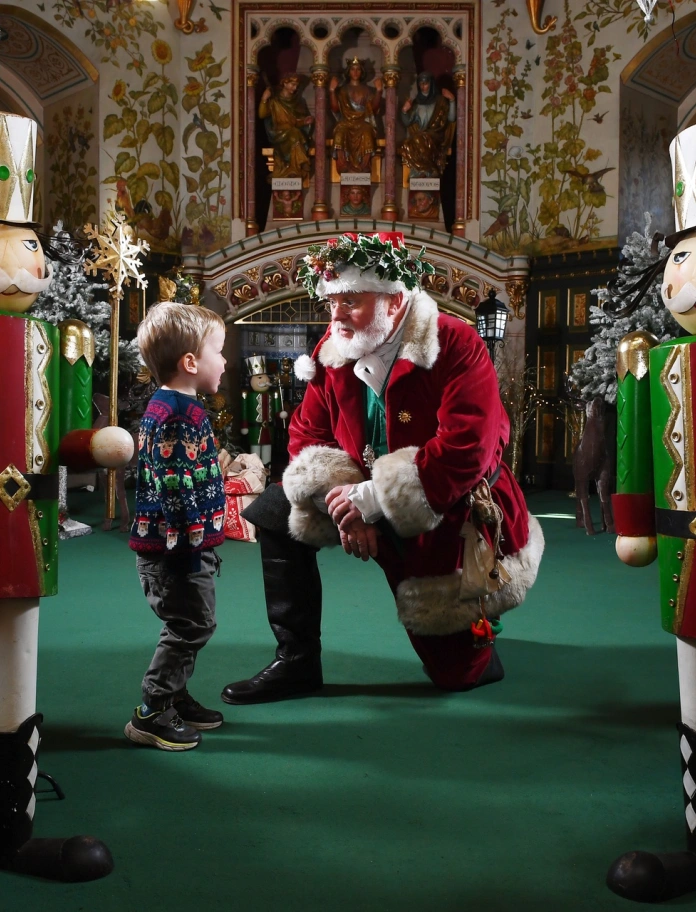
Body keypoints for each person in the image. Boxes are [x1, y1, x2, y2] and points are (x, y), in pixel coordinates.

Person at [221, 231, 544, 705]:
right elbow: (305, 436)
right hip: (356, 498)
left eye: (351, 300)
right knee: (275, 513)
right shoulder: (334, 349)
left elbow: (466, 451)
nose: (335, 315)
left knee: (459, 674)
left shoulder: (455, 343)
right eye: (332, 301)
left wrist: (372, 501)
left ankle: (480, 627)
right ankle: (297, 662)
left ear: (394, 301)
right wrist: (343, 503)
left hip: (447, 507)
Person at [0, 113, 134, 882]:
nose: (24, 264)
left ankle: (10, 815)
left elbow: (66, 436)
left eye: (29, 246)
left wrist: (96, 444)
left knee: (18, 650)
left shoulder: (51, 343)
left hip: (23, 524)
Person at [606, 124, 696, 903]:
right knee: (693, 691)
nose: (686, 277)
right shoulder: (654, 360)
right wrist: (633, 521)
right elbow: (635, 442)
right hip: (685, 555)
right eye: (680, 259)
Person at [125, 302, 228, 751]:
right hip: (175, 552)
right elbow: (175, 491)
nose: (224, 361)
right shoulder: (179, 416)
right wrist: (188, 551)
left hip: (180, 547)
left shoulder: (176, 407)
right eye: (218, 352)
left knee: (190, 620)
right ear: (190, 362)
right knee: (191, 624)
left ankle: (176, 698)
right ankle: (152, 710)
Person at [330, 58, 382, 174]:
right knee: (340, 131)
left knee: (367, 131)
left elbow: (373, 109)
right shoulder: (342, 90)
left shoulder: (367, 90)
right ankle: (343, 164)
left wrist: (379, 91)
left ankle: (364, 165)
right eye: (352, 69)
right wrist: (332, 91)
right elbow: (335, 109)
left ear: (362, 72)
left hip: (362, 122)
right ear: (348, 71)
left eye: (358, 69)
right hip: (346, 122)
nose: (355, 72)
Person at [399, 72, 455, 178]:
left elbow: (451, 118)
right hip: (421, 135)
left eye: (426, 83)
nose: (423, 86)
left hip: (436, 135)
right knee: (406, 145)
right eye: (421, 83)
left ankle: (427, 169)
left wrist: (451, 100)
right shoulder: (416, 103)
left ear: (431, 84)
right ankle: (422, 170)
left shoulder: (440, 101)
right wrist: (404, 110)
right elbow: (407, 122)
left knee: (419, 139)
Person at [259, 73, 314, 181]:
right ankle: (302, 162)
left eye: (297, 85)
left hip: (292, 132)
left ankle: (295, 168)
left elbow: (296, 123)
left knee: (295, 132)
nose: (295, 88)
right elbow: (262, 114)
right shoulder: (275, 100)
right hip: (278, 133)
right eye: (293, 84)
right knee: (294, 133)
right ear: (285, 83)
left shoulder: (299, 102)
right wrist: (264, 99)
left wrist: (304, 122)